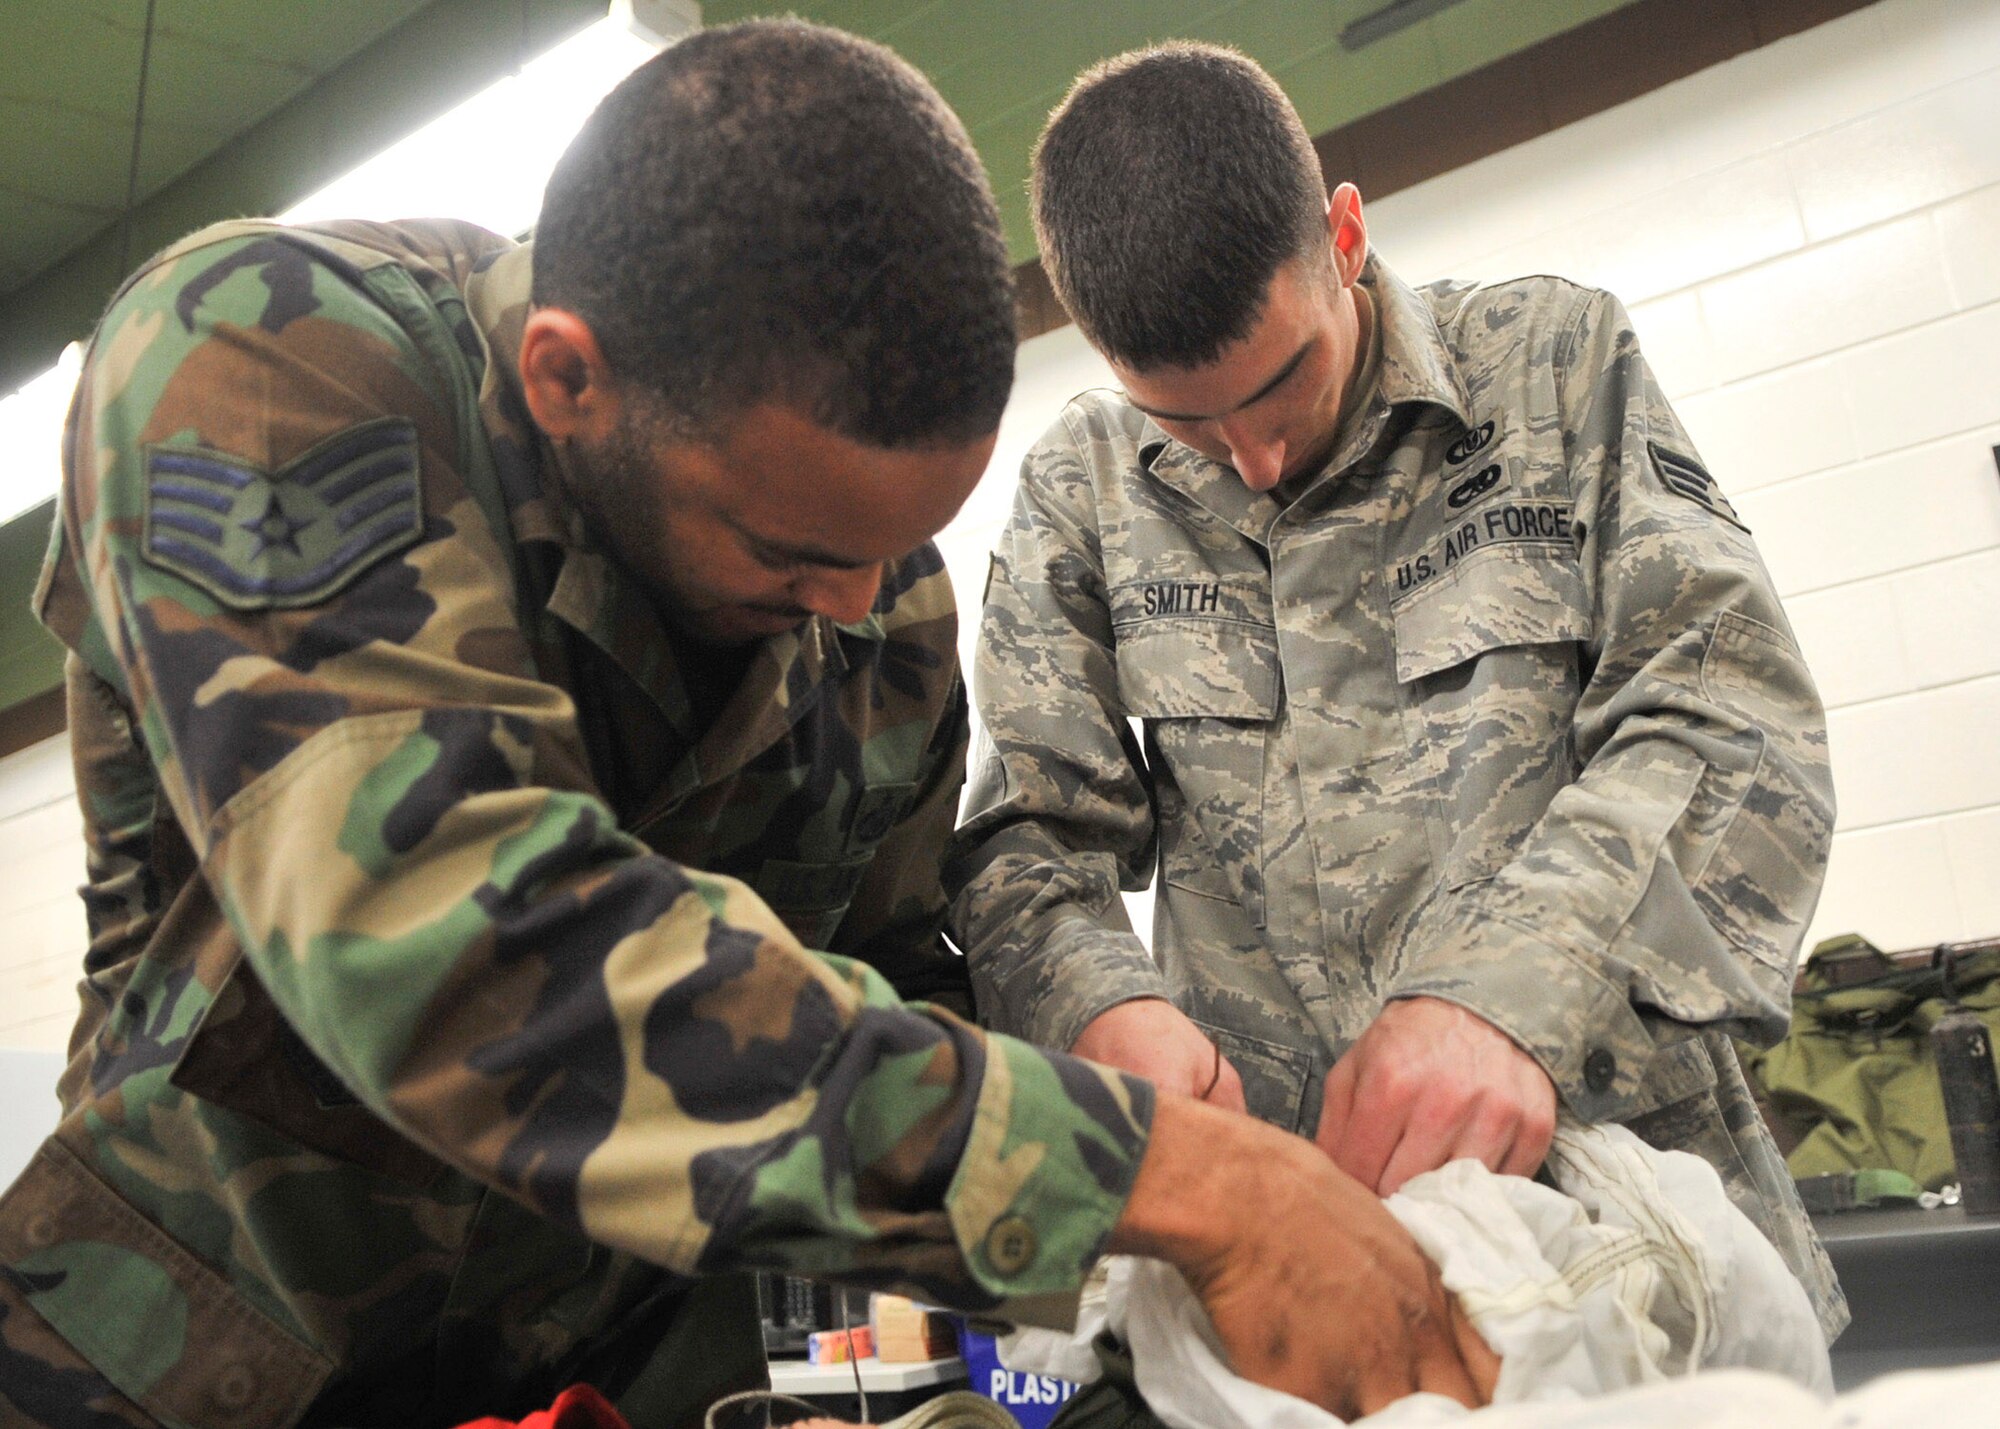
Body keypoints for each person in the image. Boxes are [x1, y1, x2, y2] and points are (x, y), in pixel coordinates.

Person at [0, 21, 1491, 1429]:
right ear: (568, 380)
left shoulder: (874, 601)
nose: (855, 606)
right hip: (200, 1349)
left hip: (633, 1352)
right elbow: (457, 939)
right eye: (792, 553)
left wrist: (1109, 1097)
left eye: (894, 547)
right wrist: (1170, 1175)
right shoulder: (275, 359)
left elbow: (887, 979)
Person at [948, 40, 1847, 1342]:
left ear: (1346, 236)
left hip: (1643, 1242)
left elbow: (1731, 720)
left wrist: (1507, 997)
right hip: (1311, 1280)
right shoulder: (1080, 492)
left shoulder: (1550, 369)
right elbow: (1026, 838)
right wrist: (1101, 1003)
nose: (1249, 461)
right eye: (1187, 427)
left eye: (1279, 383)